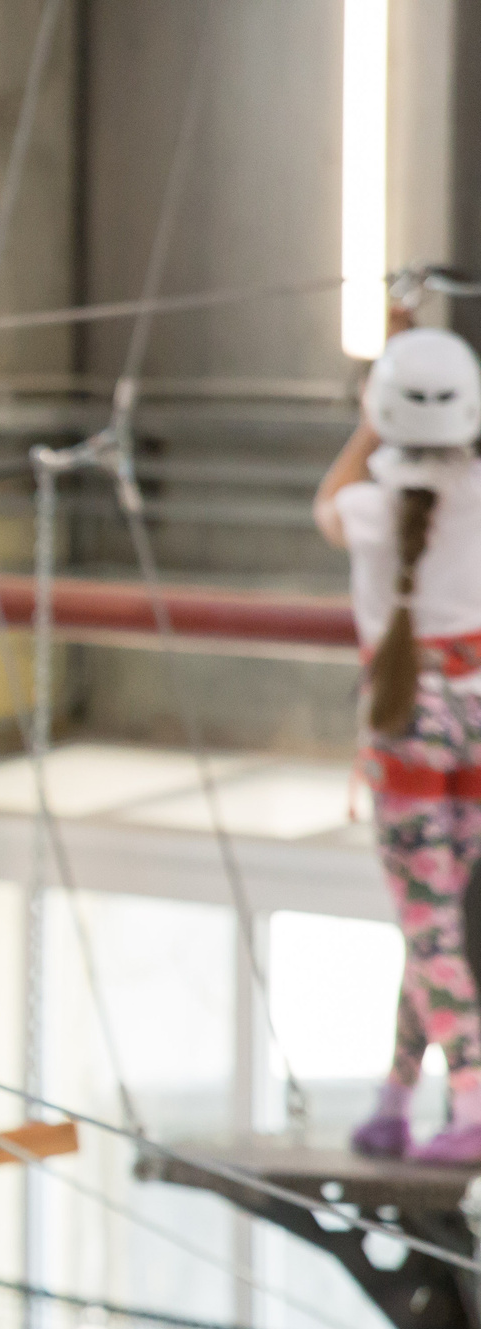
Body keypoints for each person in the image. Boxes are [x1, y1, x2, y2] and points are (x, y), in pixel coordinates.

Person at [320, 320, 481, 1165]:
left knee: (429, 921)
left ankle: (469, 1092)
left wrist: (368, 424)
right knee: (441, 920)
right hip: (477, 719)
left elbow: (326, 502)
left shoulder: (366, 507)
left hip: (407, 729)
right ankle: (394, 1098)